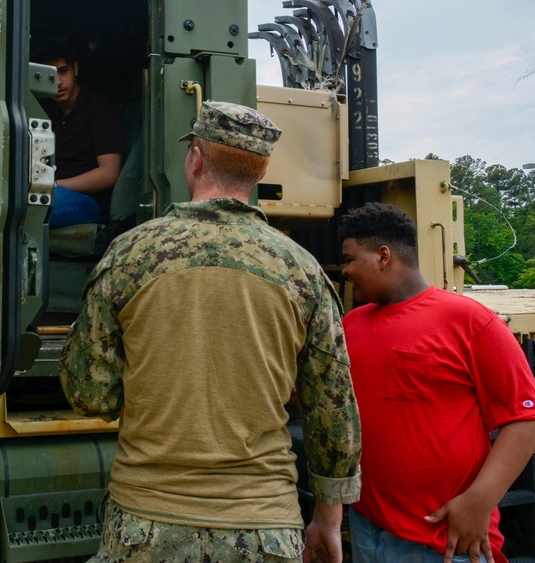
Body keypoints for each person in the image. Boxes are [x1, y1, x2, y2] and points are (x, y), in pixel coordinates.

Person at [59, 100, 361, 563]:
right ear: (259, 175)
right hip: (265, 527)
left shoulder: (129, 255)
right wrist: (328, 518)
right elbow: (332, 406)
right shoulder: (302, 271)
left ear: (195, 159)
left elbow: (90, 394)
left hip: (145, 523)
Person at [339, 202, 535, 563]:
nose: (346, 270)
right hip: (368, 528)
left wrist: (478, 503)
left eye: (351, 258)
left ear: (383, 256)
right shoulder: (352, 324)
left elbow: (522, 422)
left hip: (446, 540)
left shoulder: (470, 321)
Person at [35, 38, 125, 229]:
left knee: (33, 206)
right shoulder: (43, 111)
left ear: (75, 68)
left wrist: (56, 185)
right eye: (51, 74)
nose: (58, 82)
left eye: (63, 71)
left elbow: (109, 173)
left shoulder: (99, 109)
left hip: (89, 201)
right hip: (50, 190)